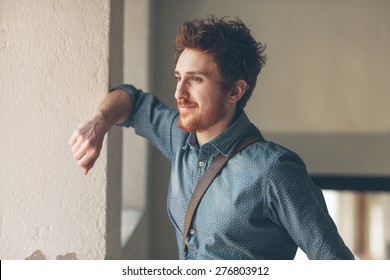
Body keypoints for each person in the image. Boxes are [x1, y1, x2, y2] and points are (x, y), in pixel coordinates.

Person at [69, 16, 354, 260]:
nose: (179, 93)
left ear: (235, 91)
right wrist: (100, 121)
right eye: (178, 77)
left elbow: (334, 262)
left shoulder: (275, 170)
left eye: (195, 79)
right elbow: (132, 100)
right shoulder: (179, 138)